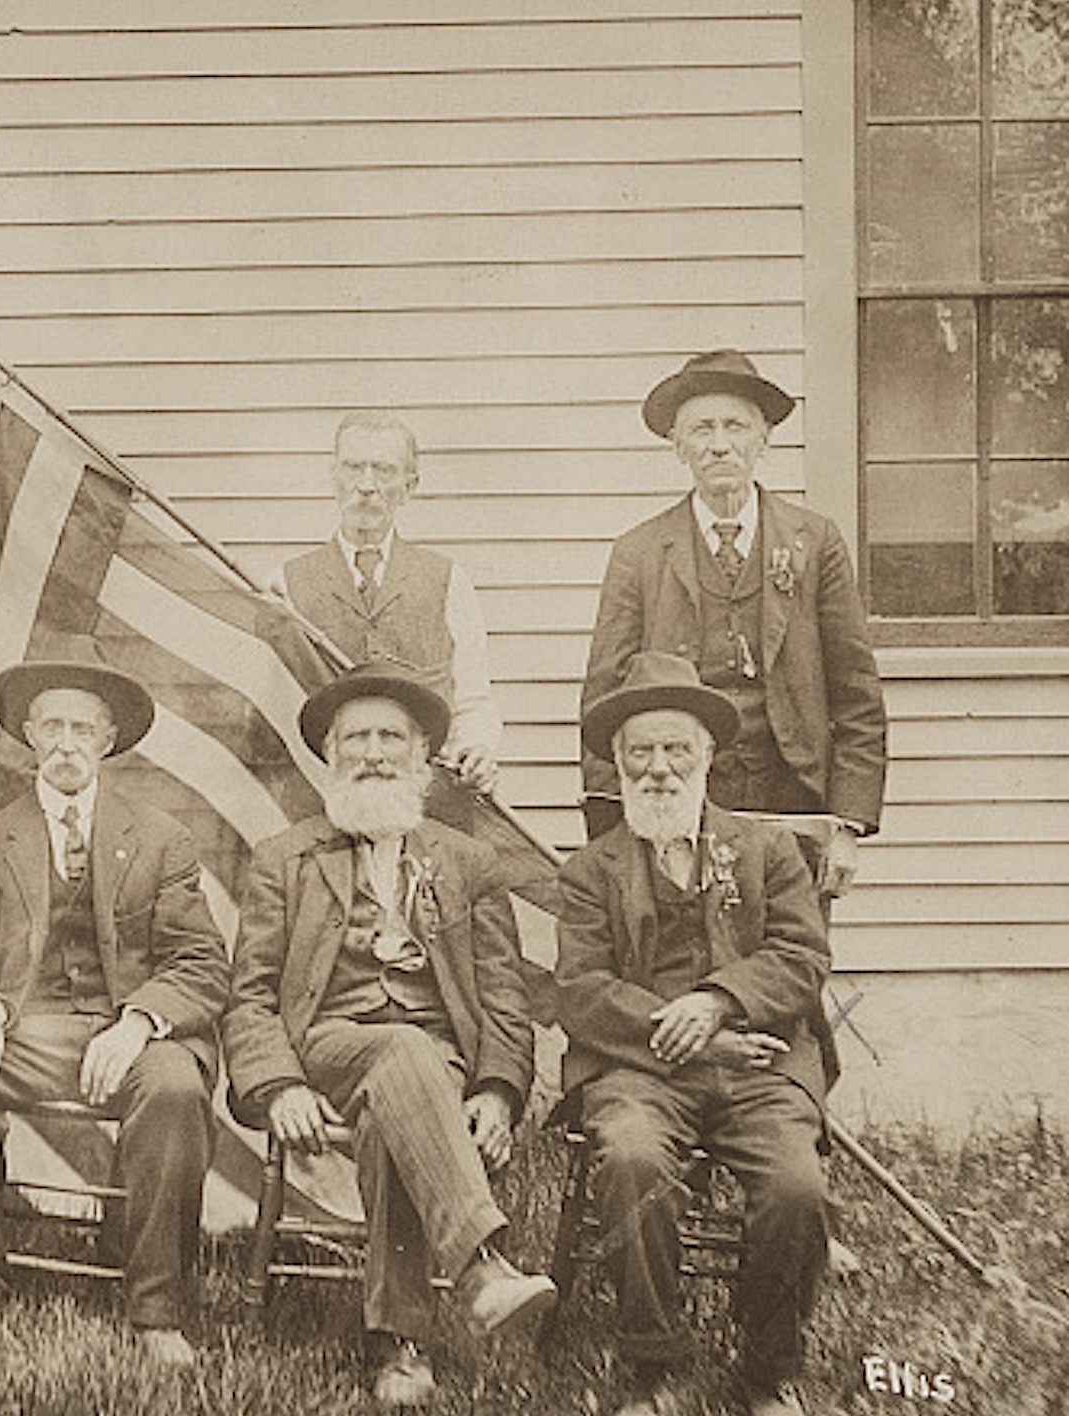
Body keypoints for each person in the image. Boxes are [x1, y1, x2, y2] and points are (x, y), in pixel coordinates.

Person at [222, 668, 554, 1408]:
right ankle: (479, 1267)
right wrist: (278, 1084)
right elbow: (248, 995)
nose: (373, 753)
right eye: (356, 739)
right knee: (402, 1056)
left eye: (390, 738)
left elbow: (504, 997)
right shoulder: (286, 857)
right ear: (330, 755)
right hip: (328, 1044)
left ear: (424, 753)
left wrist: (498, 1093)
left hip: (435, 1059)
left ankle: (400, 1350)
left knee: (394, 1109)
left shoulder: (468, 863)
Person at [0, 659, 229, 1369]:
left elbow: (201, 964)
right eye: (51, 726)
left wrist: (139, 1022)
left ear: (109, 740)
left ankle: (156, 1310)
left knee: (176, 1088)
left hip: (128, 1031)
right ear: (27, 735)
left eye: (83, 728)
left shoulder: (161, 839)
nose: (66, 743)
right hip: (24, 1028)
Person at [558, 651, 831, 1416]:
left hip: (759, 1066)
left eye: (677, 749)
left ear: (709, 755)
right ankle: (656, 1366)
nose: (659, 770)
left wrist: (717, 1003)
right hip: (636, 1073)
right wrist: (680, 1032)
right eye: (640, 752)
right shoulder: (589, 871)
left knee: (796, 1187)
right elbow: (580, 992)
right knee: (633, 1162)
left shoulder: (766, 851)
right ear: (616, 763)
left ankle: (767, 1370)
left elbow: (802, 958)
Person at [581, 351, 886, 901]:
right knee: (687, 961)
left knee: (791, 961)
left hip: (795, 794)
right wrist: (614, 827)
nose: (719, 444)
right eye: (702, 429)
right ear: (678, 446)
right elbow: (605, 700)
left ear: (763, 439)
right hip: (678, 797)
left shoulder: (814, 543)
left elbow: (856, 694)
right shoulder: (641, 552)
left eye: (735, 426)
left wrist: (848, 823)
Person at [270, 410, 501, 791]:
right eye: (353, 467)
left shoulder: (448, 581)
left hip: (425, 804)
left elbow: (473, 700)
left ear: (410, 486)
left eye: (383, 470)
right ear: (333, 477)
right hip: (323, 799)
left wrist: (477, 749)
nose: (366, 485)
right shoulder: (284, 585)